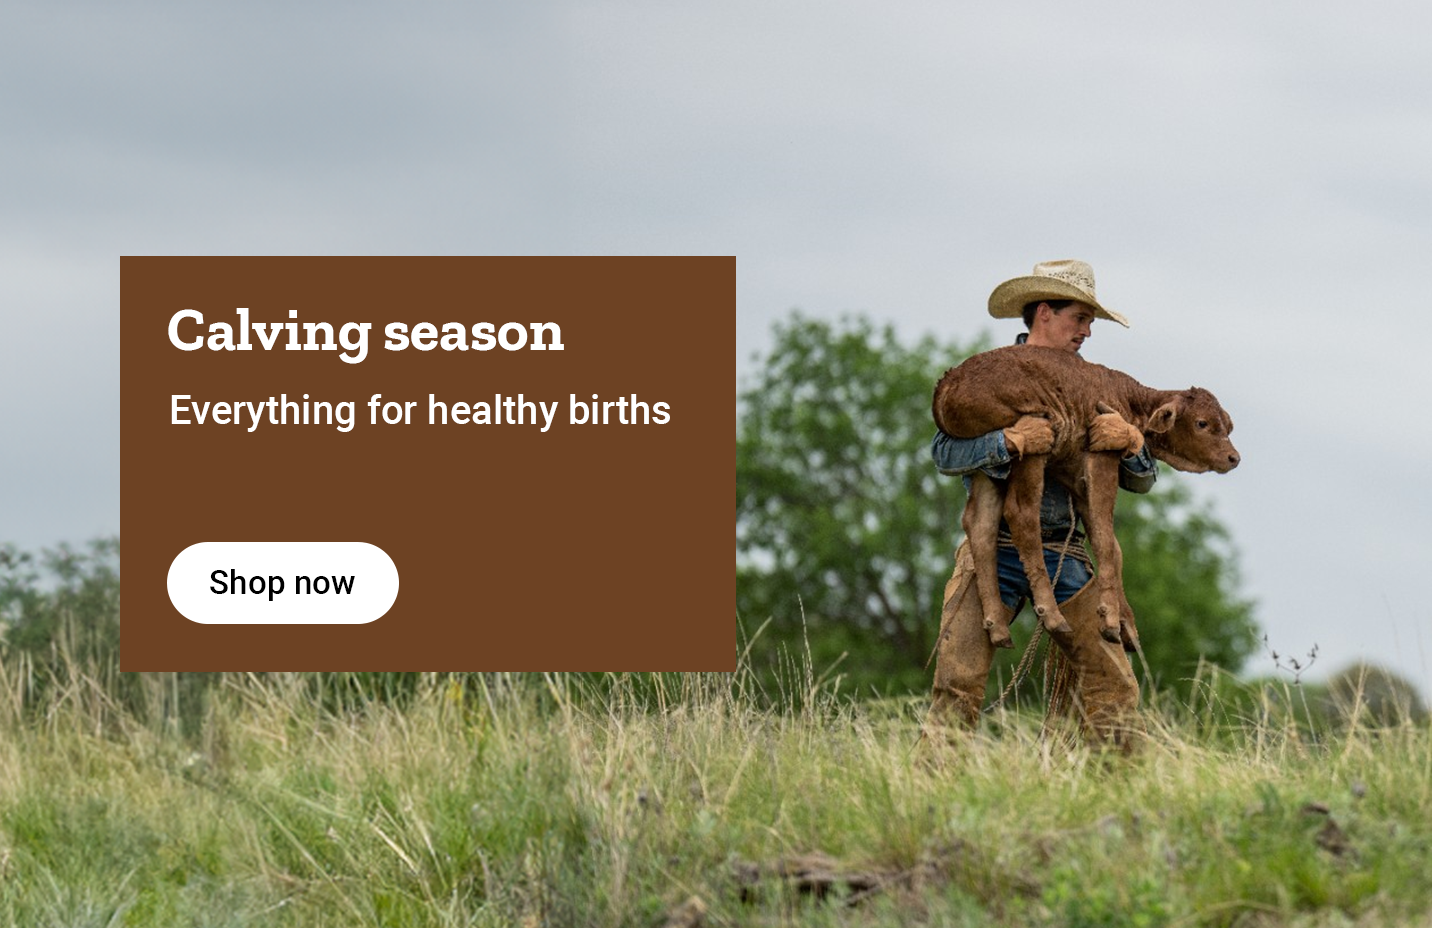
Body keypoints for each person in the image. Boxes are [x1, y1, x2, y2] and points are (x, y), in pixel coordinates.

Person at [925, 259, 1154, 748]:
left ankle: (1116, 788)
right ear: (1045, 313)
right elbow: (943, 453)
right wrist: (1007, 442)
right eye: (1080, 318)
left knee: (1113, 686)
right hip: (993, 550)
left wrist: (1133, 443)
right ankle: (932, 786)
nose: (1087, 331)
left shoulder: (1094, 385)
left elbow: (1142, 481)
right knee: (957, 682)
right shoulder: (990, 376)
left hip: (1066, 555)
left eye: (1090, 322)